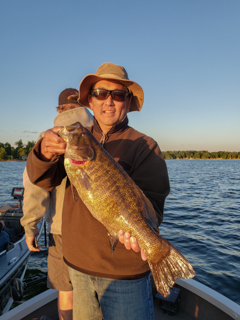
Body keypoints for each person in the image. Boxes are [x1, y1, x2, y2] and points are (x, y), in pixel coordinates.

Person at [26, 63, 170, 320]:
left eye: (118, 94)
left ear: (128, 102)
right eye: (101, 93)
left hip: (125, 275)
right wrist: (43, 153)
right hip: (77, 267)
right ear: (89, 101)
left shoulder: (145, 146)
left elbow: (153, 210)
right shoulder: (75, 139)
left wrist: (142, 232)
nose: (109, 101)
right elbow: (43, 180)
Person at [20, 88, 93, 320]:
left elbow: (35, 187)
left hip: (60, 230)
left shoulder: (48, 138)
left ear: (59, 110)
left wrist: (30, 226)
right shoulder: (98, 133)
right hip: (96, 229)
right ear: (86, 106)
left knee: (66, 291)